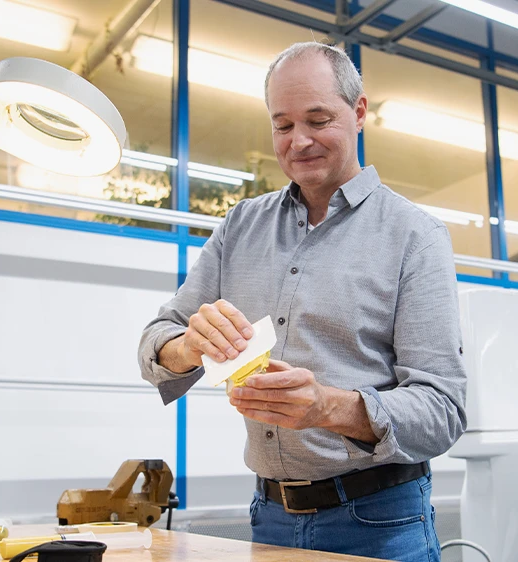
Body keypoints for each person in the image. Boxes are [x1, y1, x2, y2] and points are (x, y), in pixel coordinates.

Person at [138, 41, 466, 562]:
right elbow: (155, 341)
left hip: (379, 520)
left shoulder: (415, 236)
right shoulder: (240, 226)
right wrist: (187, 345)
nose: (300, 141)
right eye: (283, 125)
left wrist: (329, 407)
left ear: (359, 113)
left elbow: (442, 410)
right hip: (267, 515)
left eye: (318, 119)